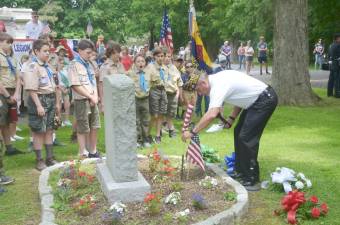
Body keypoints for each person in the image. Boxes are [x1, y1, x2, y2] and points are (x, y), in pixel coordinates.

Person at [182, 68, 277, 191]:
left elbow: (211, 114)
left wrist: (192, 131)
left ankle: (251, 179)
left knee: (246, 138)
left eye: (198, 90)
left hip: (264, 100)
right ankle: (241, 172)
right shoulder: (218, 79)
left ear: (203, 83)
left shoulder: (218, 85)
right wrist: (232, 118)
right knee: (239, 133)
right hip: (255, 101)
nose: (200, 94)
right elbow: (241, 97)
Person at [23, 39, 61, 170]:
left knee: (49, 129)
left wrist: (57, 102)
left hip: (50, 98)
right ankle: (39, 160)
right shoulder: (33, 67)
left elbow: (55, 86)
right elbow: (31, 89)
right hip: (39, 100)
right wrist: (39, 105)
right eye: (44, 51)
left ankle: (49, 158)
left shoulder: (49, 67)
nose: (47, 54)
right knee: (39, 131)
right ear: (36, 51)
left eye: (48, 51)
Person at [68, 39, 100, 158]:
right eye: (87, 52)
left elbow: (93, 82)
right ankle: (82, 152)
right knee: (82, 127)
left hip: (93, 100)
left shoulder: (89, 64)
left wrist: (95, 97)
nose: (90, 55)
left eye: (91, 53)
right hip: (82, 100)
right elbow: (75, 85)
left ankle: (93, 150)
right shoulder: (74, 65)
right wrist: (90, 96)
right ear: (80, 51)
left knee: (95, 125)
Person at [0, 32, 24, 156]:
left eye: (11, 43)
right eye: (7, 42)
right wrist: (7, 96)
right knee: (1, 121)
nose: (10, 45)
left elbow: (18, 77)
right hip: (2, 92)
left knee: (8, 121)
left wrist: (16, 94)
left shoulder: (13, 58)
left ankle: (9, 148)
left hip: (12, 91)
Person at [127, 55, 152, 148]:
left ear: (145, 63)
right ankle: (138, 140)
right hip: (135, 99)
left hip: (145, 99)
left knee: (146, 120)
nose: (140, 63)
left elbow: (155, 82)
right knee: (136, 120)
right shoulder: (130, 73)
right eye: (138, 61)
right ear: (134, 63)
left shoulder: (149, 73)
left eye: (142, 61)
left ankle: (146, 139)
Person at [147, 47, 168, 144]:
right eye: (158, 56)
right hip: (154, 90)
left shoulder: (165, 67)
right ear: (154, 57)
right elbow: (147, 81)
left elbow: (166, 80)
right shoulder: (150, 67)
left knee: (161, 114)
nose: (160, 58)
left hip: (163, 91)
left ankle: (158, 135)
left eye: (162, 56)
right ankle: (147, 134)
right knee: (154, 115)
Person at [98, 41, 125, 112]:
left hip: (121, 99)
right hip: (111, 100)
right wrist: (103, 104)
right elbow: (101, 86)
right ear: (110, 53)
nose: (119, 55)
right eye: (117, 52)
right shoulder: (105, 67)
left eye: (119, 52)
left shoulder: (120, 65)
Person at [164, 52, 183, 138]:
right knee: (161, 113)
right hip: (162, 93)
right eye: (165, 56)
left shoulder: (174, 68)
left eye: (169, 56)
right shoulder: (160, 68)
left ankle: (170, 128)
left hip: (173, 93)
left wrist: (179, 95)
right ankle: (162, 129)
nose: (167, 58)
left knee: (171, 113)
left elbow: (179, 83)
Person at [56, 46, 72, 127]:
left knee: (67, 104)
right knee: (58, 105)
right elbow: (55, 78)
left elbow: (69, 76)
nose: (61, 56)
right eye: (60, 54)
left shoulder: (66, 63)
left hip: (66, 87)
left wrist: (67, 87)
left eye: (63, 55)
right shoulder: (53, 63)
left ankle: (67, 120)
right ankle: (59, 121)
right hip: (58, 88)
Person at [329, 33, 340, 98]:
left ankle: (329, 93)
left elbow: (329, 54)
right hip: (337, 63)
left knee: (331, 79)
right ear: (337, 38)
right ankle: (337, 94)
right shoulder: (338, 45)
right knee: (337, 79)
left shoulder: (331, 45)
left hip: (332, 63)